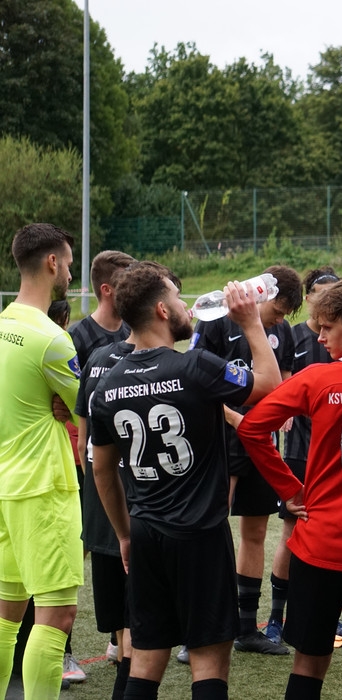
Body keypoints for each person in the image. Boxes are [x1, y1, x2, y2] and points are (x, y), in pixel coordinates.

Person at [89, 262, 281, 699]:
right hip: (199, 535)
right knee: (209, 659)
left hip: (145, 534)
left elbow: (101, 469)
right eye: (177, 298)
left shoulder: (109, 384)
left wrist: (123, 533)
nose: (186, 307)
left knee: (146, 657)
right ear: (160, 309)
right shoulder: (194, 366)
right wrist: (250, 321)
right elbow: (270, 384)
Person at [236, 279, 342, 700]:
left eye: (326, 328)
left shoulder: (318, 378)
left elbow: (253, 428)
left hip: (317, 542)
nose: (318, 337)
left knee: (308, 662)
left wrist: (291, 489)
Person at [189, 264, 301, 655]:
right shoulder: (219, 319)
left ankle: (245, 629)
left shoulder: (281, 332)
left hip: (259, 441)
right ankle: (197, 632)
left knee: (254, 531)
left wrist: (278, 412)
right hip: (221, 436)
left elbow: (282, 380)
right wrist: (239, 420)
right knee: (212, 528)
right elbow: (195, 380)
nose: (279, 320)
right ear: (263, 296)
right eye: (279, 311)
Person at [0, 223, 83, 700]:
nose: (70, 271)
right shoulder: (51, 338)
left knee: (8, 615)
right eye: (68, 262)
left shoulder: (4, 323)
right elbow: (90, 408)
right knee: (56, 617)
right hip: (43, 490)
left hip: (7, 489)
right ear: (52, 262)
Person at [64, 249, 136, 684]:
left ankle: (119, 638)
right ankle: (65, 649)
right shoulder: (79, 336)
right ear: (108, 289)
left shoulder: (133, 333)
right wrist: (80, 452)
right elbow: (69, 405)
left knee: (118, 550)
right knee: (78, 554)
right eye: (127, 281)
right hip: (81, 462)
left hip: (121, 465)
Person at [264, 267, 340, 645]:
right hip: (298, 453)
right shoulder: (290, 335)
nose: (326, 302)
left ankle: (335, 615)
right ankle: (276, 617)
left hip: (336, 457)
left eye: (334, 295)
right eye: (321, 294)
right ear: (308, 298)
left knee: (338, 534)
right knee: (292, 532)